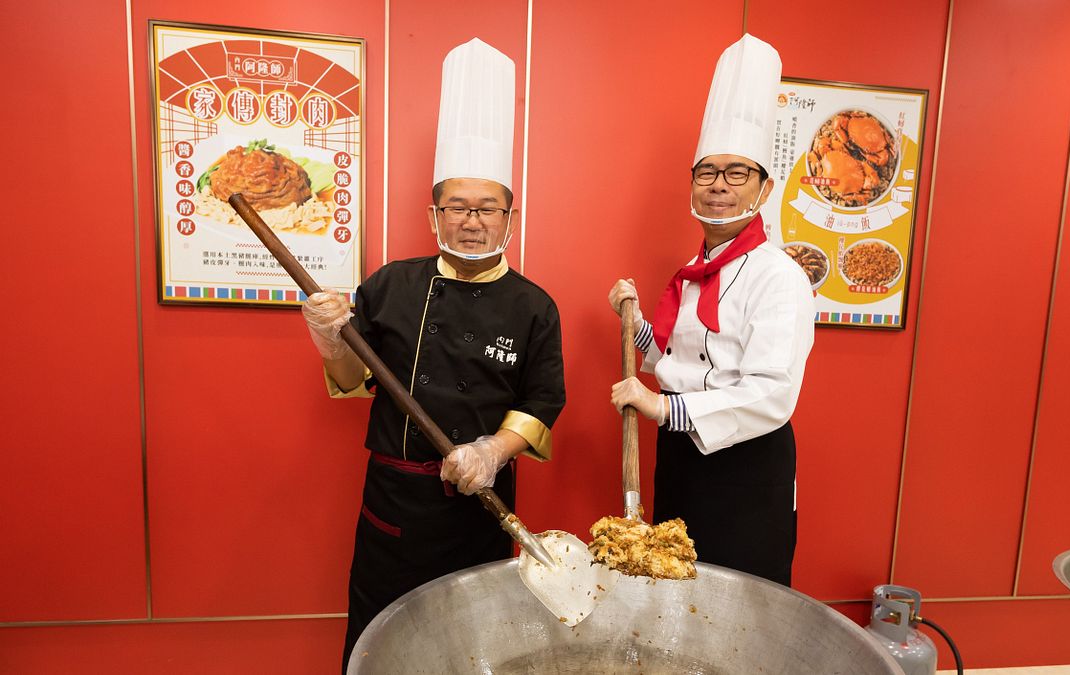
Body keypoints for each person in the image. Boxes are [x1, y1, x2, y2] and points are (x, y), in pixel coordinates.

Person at [301, 39, 565, 671]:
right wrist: (328, 340)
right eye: (457, 207)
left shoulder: (535, 306)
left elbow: (543, 401)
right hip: (395, 500)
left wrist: (491, 452)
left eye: (487, 208)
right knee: (379, 636)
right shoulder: (392, 283)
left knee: (473, 644)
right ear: (433, 213)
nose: (471, 222)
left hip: (482, 504)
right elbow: (354, 381)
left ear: (510, 217)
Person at [608, 34, 815, 586]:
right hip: (680, 455)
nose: (719, 186)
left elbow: (771, 393)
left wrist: (662, 410)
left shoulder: (780, 277)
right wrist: (634, 323)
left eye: (736, 173)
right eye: (707, 173)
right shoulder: (696, 268)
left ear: (763, 187)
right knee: (676, 588)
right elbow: (682, 360)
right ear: (693, 185)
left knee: (740, 598)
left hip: (744, 466)